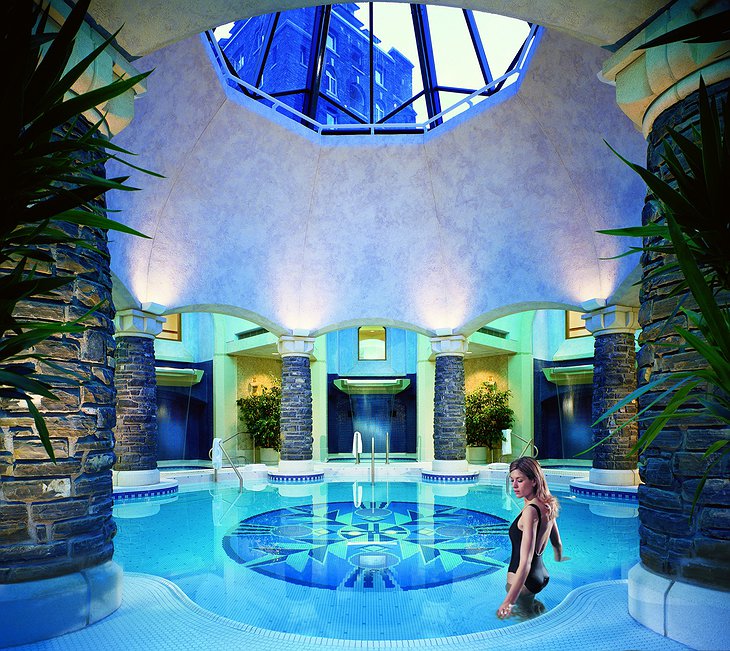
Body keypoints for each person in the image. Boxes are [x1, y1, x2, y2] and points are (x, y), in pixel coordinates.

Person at [496, 457, 568, 619]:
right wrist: (559, 556)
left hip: (523, 583)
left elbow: (525, 563)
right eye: (512, 480)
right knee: (533, 614)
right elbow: (556, 540)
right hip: (541, 575)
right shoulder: (547, 503)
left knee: (525, 626)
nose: (514, 486)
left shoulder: (530, 512)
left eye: (520, 480)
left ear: (534, 480)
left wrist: (508, 602)